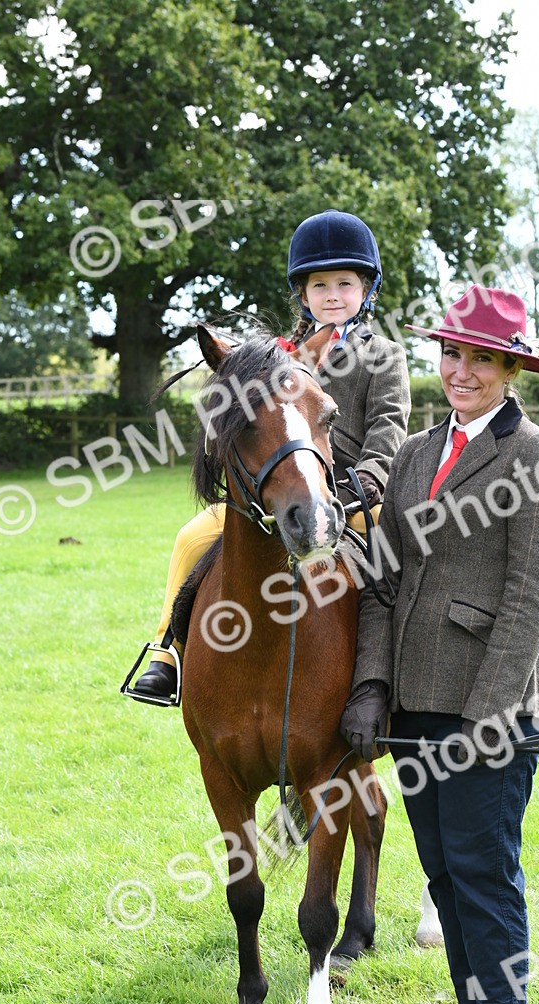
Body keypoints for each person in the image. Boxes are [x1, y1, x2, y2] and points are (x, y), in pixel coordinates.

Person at [339, 285, 539, 1004]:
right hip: (414, 703)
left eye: (480, 359)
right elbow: (382, 580)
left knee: (483, 869)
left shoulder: (534, 456)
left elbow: (531, 598)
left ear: (512, 370)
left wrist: (486, 717)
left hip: (489, 711)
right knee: (443, 873)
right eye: (451, 354)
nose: (461, 371)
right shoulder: (413, 453)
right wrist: (373, 686)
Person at [129, 209, 411, 702]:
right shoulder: (275, 356)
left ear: (366, 290)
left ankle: (396, 672)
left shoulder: (384, 355)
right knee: (192, 536)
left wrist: (367, 478)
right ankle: (166, 653)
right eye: (319, 285)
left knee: (393, 558)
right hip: (276, 488)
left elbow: (388, 426)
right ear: (302, 294)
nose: (332, 295)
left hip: (352, 492)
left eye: (345, 284)